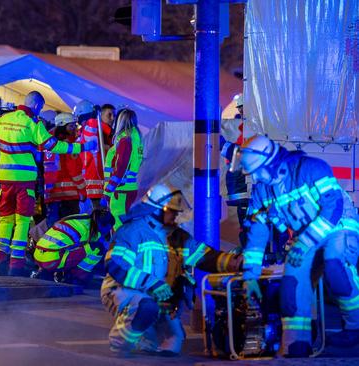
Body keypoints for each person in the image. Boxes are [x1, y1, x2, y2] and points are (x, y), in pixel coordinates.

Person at [239, 135, 359, 356]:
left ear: (272, 162)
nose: (255, 177)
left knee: (334, 264)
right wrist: (250, 276)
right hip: (308, 236)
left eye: (258, 171)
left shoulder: (311, 168)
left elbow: (333, 207)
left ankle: (355, 326)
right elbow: (256, 236)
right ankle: (296, 344)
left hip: (338, 225)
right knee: (292, 281)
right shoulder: (261, 191)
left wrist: (304, 242)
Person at [101, 183, 243, 356]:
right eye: (172, 211)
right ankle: (120, 343)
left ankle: (146, 336)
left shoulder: (178, 236)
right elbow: (116, 265)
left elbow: (206, 257)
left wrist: (235, 262)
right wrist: (151, 283)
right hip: (123, 291)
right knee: (146, 308)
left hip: (158, 296)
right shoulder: (132, 231)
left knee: (173, 343)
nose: (176, 215)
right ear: (157, 209)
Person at [0, 91, 97, 277]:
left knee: (5, 219)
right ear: (37, 106)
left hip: (5, 179)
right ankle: (16, 264)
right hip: (25, 180)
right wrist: (82, 147)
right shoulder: (34, 123)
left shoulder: (2, 120)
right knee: (22, 221)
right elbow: (53, 146)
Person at [34, 208, 114, 284]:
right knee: (97, 249)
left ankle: (46, 272)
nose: (107, 232)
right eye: (109, 228)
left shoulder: (81, 219)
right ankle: (76, 278)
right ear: (102, 225)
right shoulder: (88, 230)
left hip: (38, 256)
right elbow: (100, 246)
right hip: (51, 261)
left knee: (83, 247)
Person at [100, 109, 144, 230]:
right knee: (125, 225)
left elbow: (119, 170)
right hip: (127, 188)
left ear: (120, 120)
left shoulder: (125, 140)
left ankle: (119, 249)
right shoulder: (136, 138)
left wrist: (107, 194)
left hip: (120, 190)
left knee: (119, 227)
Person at [43, 112, 87, 228]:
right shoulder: (69, 145)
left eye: (74, 126)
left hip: (51, 195)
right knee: (70, 228)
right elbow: (74, 170)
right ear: (62, 126)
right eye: (71, 126)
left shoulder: (49, 143)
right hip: (69, 195)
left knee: (52, 229)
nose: (74, 129)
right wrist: (82, 190)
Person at [220, 93, 250, 246]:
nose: (240, 111)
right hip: (239, 184)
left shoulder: (253, 128)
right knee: (242, 219)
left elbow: (243, 154)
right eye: (240, 108)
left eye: (243, 108)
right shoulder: (245, 126)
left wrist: (223, 146)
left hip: (244, 183)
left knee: (246, 220)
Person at [76, 100, 114, 211]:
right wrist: (93, 118)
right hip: (95, 186)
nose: (112, 119)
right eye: (109, 115)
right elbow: (94, 144)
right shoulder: (91, 126)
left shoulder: (105, 133)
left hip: (98, 186)